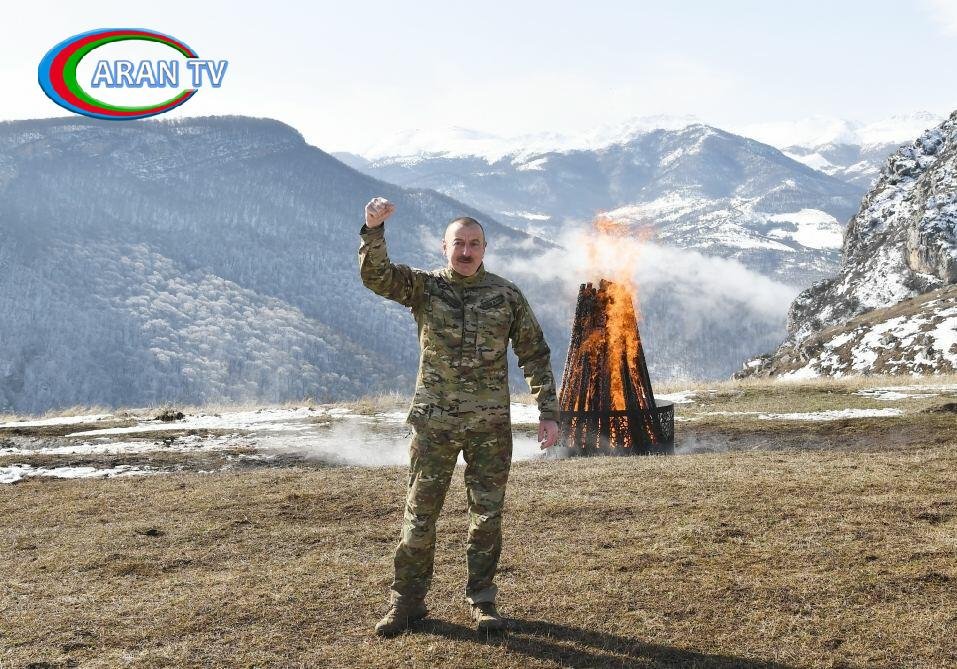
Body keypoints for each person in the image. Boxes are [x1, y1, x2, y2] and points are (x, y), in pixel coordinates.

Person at [358, 196, 560, 636]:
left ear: (484, 248)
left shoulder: (505, 295)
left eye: (474, 244)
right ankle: (407, 603)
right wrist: (373, 230)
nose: (466, 251)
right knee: (419, 515)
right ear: (444, 247)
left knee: (486, 517)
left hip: (490, 428)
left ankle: (483, 601)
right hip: (435, 423)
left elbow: (534, 353)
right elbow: (377, 276)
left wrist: (548, 411)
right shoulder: (425, 287)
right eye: (458, 243)